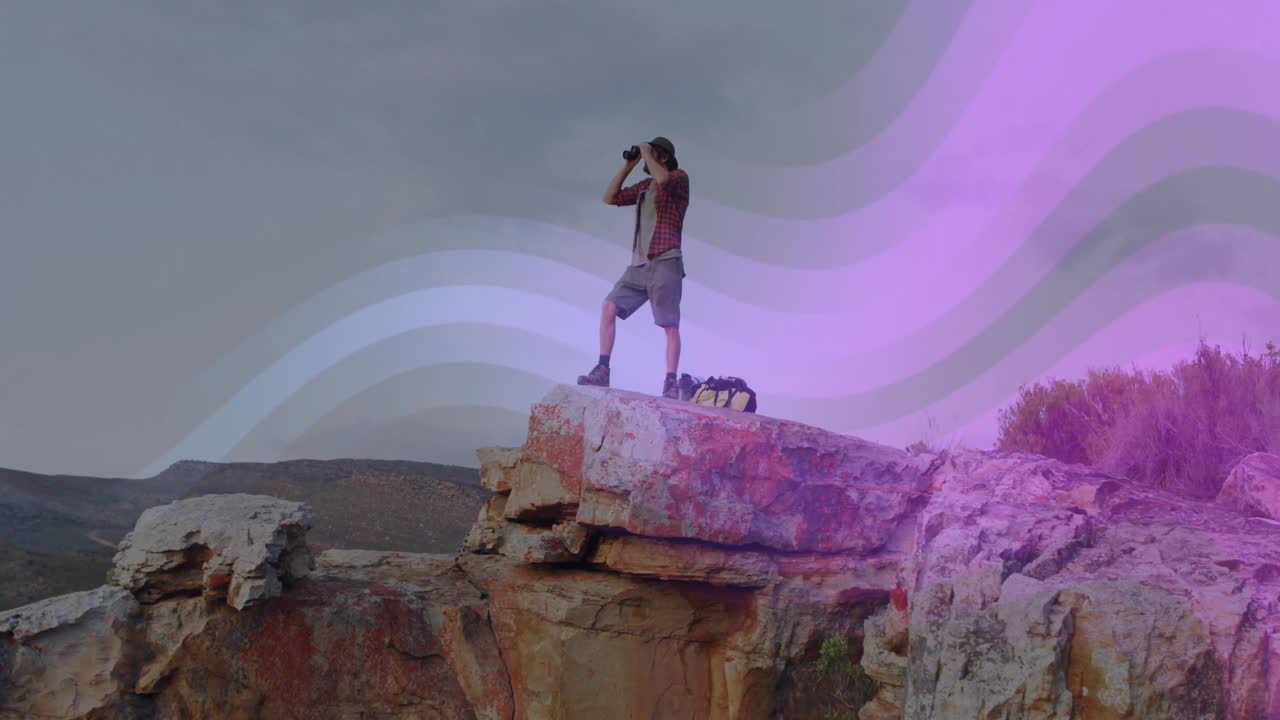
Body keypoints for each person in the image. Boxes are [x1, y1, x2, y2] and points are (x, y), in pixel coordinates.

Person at [577, 136, 690, 399]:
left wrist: (649, 153)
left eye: (655, 153)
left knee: (669, 325)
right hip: (639, 264)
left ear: (664, 156)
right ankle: (602, 370)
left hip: (666, 260)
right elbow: (609, 198)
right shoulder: (644, 187)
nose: (649, 156)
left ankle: (670, 382)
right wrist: (629, 165)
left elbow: (663, 179)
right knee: (609, 306)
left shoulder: (678, 178)